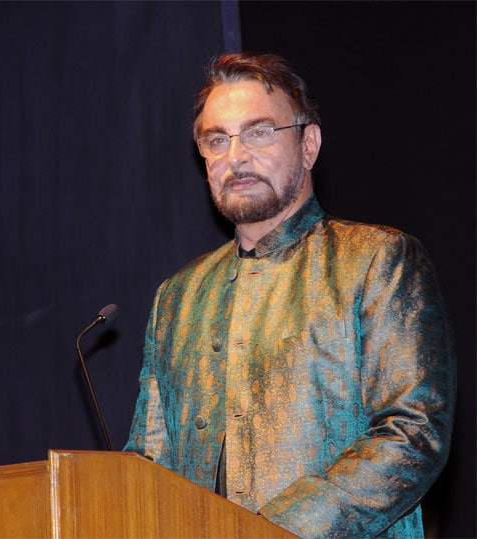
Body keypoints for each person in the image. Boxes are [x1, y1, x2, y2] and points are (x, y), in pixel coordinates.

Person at [123, 52, 456, 538]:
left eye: (259, 132)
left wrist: (269, 530)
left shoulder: (376, 260)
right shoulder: (176, 298)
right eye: (217, 139)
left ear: (309, 144)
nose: (235, 156)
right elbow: (148, 465)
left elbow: (412, 432)